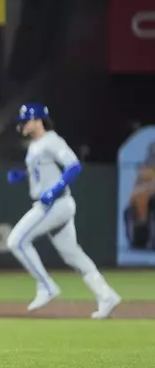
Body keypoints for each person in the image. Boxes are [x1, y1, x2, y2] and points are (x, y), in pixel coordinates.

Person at [6, 103, 121, 319]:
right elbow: (42, 173)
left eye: (25, 120)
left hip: (54, 203)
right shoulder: (35, 144)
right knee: (72, 254)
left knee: (16, 241)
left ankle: (46, 286)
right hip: (56, 203)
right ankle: (106, 295)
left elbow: (74, 166)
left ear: (38, 120)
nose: (22, 125)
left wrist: (54, 190)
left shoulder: (52, 140)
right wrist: (23, 176)